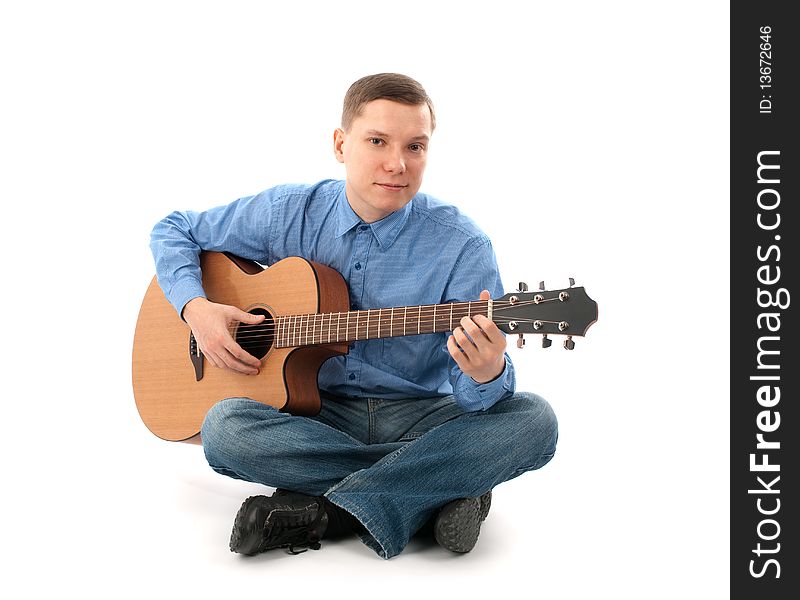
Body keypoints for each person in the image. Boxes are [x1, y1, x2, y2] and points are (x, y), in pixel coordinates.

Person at [150, 73, 558, 559]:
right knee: (224, 428)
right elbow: (174, 229)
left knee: (534, 421)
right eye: (377, 141)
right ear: (342, 144)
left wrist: (486, 371)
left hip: (422, 416)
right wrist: (196, 308)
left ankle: (327, 511)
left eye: (416, 146)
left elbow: (475, 403)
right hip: (315, 415)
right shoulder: (290, 212)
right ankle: (439, 486)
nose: (397, 163)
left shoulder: (463, 246)